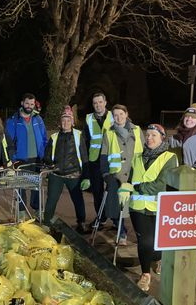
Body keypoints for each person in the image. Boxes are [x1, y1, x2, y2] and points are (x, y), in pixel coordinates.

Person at [129, 124, 178, 291]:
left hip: (159, 207)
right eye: (147, 135)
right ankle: (145, 274)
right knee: (145, 241)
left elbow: (161, 185)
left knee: (157, 244)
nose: (149, 138)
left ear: (162, 138)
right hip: (137, 207)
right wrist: (125, 188)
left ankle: (158, 258)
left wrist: (137, 187)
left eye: (153, 135)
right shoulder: (137, 157)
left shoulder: (169, 158)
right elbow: (130, 179)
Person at [100, 104, 144, 244]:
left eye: (121, 114)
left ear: (126, 114)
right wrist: (106, 173)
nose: (118, 117)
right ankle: (122, 233)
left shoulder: (136, 130)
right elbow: (104, 155)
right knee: (118, 207)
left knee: (136, 206)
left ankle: (140, 234)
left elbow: (145, 151)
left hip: (134, 174)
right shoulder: (109, 132)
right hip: (117, 175)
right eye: (115, 115)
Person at [43, 106, 90, 231]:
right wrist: (49, 163)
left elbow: (85, 158)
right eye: (63, 120)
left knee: (78, 200)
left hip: (73, 174)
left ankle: (81, 222)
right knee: (51, 200)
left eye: (68, 120)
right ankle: (46, 224)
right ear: (60, 122)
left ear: (72, 122)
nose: (66, 123)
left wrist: (86, 176)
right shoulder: (54, 137)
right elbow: (47, 155)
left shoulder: (79, 135)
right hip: (56, 174)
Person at [5, 93, 48, 216]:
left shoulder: (38, 119)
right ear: (22, 103)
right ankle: (22, 212)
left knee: (36, 186)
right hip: (21, 160)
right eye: (27, 103)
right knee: (21, 186)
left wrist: (44, 155)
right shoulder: (13, 121)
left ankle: (37, 210)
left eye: (32, 104)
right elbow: (8, 142)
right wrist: (12, 159)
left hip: (36, 159)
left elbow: (44, 138)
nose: (29, 106)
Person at [84, 92, 114, 228]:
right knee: (97, 192)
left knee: (113, 192)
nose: (98, 105)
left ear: (105, 102)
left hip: (111, 159)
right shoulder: (88, 119)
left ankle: (115, 220)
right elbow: (85, 141)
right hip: (95, 160)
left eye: (100, 102)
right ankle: (101, 219)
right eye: (95, 103)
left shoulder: (114, 117)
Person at [168, 103, 196, 168]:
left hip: (194, 174)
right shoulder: (173, 138)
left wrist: (193, 170)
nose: (189, 119)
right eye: (187, 116)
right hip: (176, 174)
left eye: (193, 117)